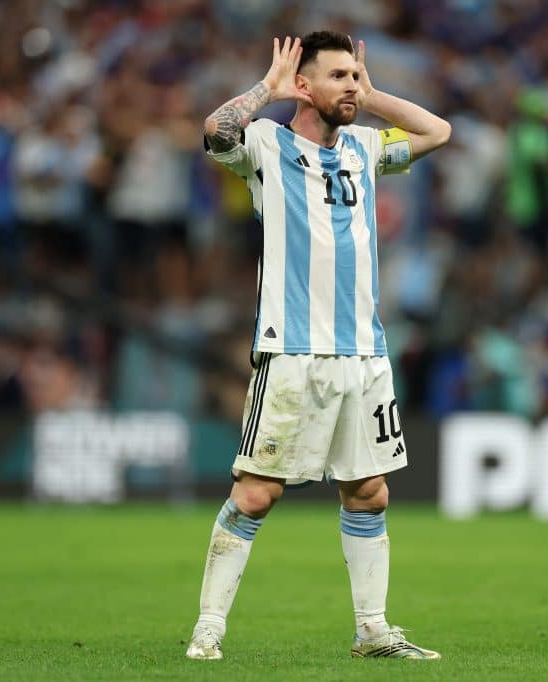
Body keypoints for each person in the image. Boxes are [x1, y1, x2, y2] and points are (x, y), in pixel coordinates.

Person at [185, 31, 450, 661]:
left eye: (356, 75)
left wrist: (376, 92)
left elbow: (437, 131)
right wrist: (265, 91)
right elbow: (213, 133)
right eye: (339, 77)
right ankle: (209, 627)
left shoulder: (365, 146)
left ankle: (373, 630)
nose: (352, 86)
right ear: (304, 85)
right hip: (292, 350)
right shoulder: (266, 145)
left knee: (369, 492)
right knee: (255, 494)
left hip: (364, 352)